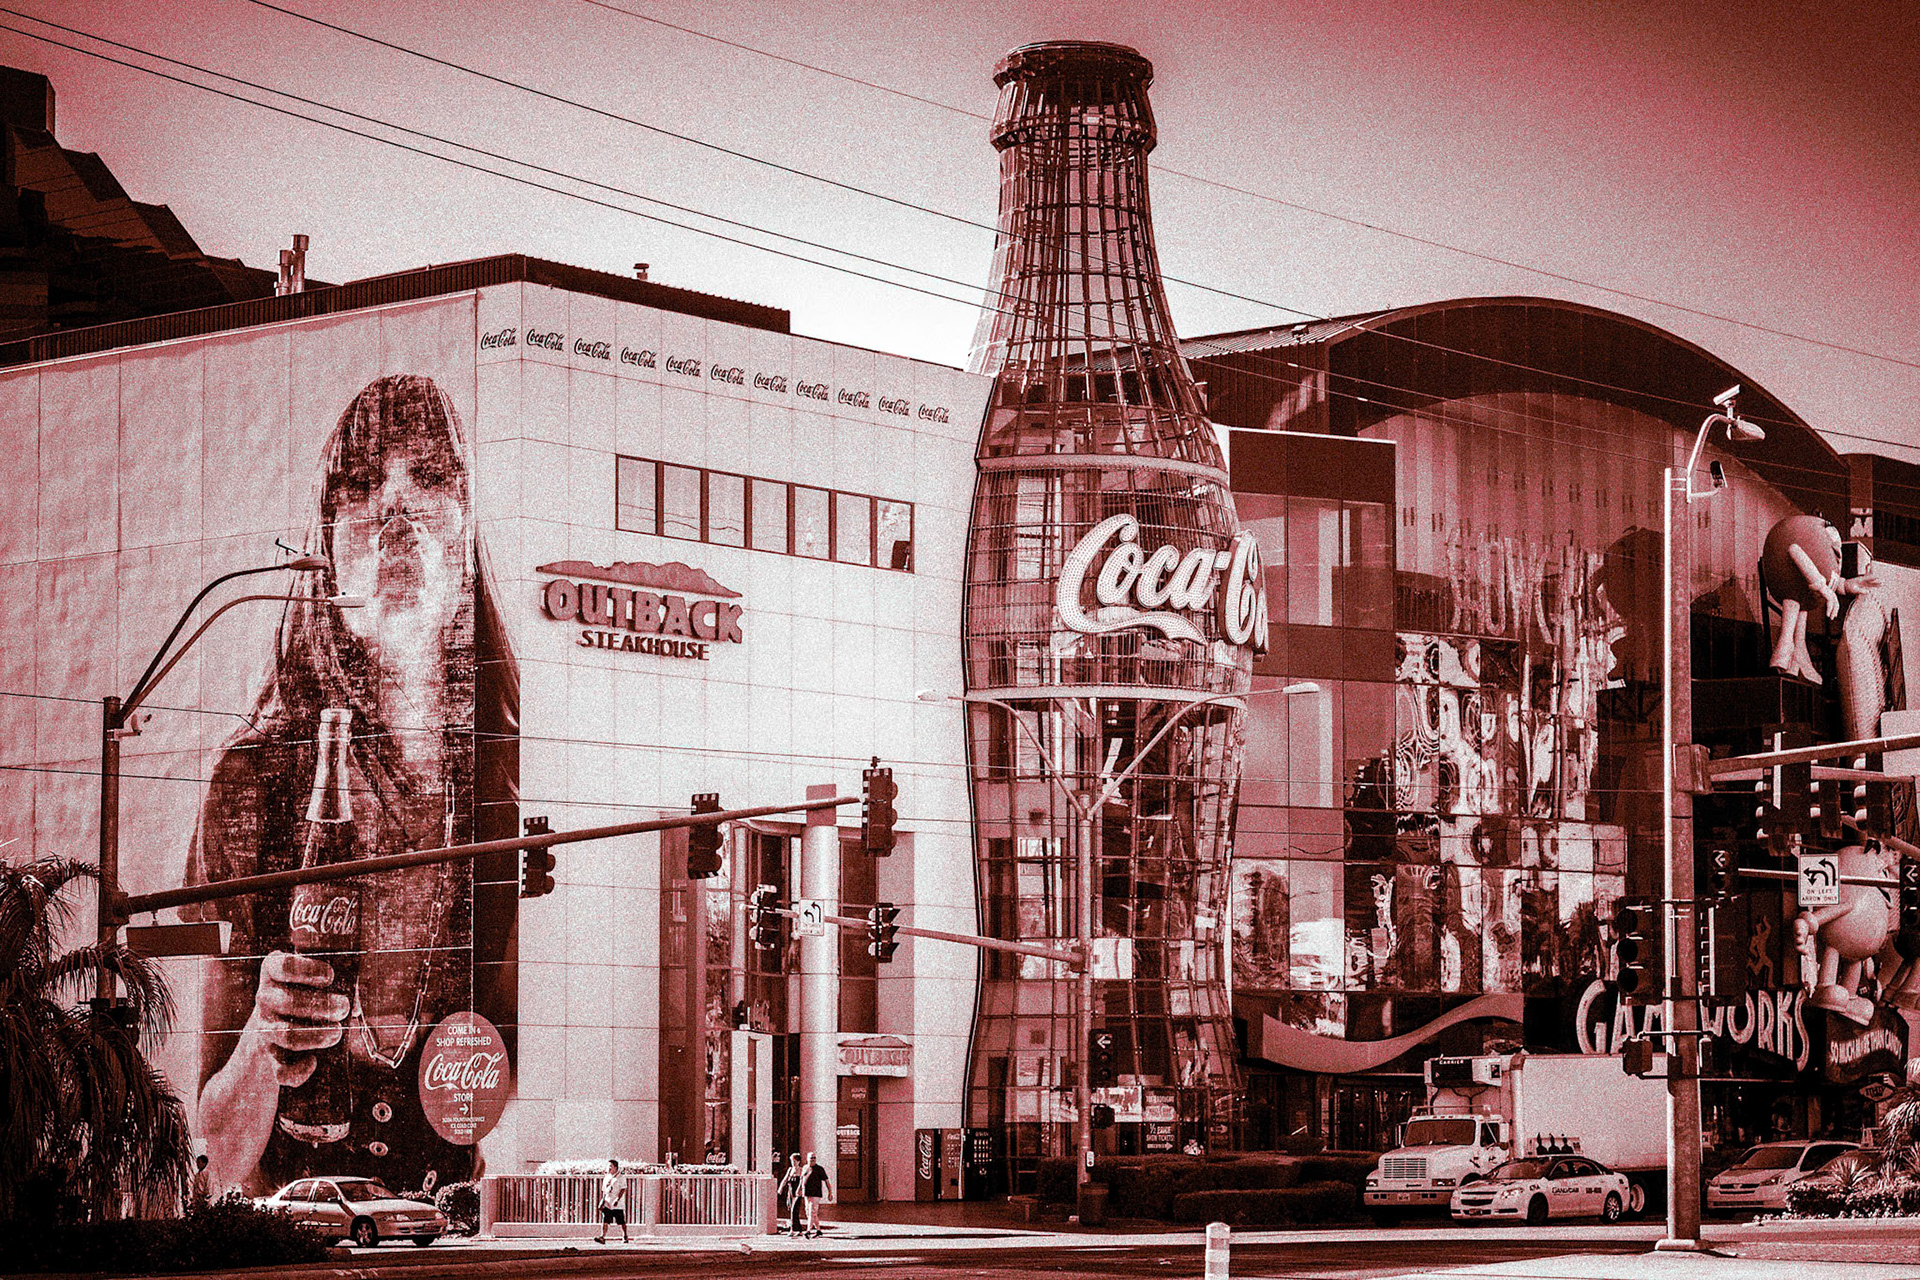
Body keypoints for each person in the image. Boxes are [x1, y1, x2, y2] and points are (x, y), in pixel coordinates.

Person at [189, 375, 520, 1195]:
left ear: (467, 521)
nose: (394, 516)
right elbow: (213, 1160)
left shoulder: (502, 785)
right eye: (362, 487)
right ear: (328, 538)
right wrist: (263, 1043)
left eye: (429, 478)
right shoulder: (256, 777)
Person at [800, 1150, 832, 1238]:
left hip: (816, 1193)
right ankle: (818, 1230)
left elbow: (827, 1181)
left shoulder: (819, 1169)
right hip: (806, 1193)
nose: (813, 1159)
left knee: (811, 1211)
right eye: (811, 1158)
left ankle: (808, 1231)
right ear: (807, 1159)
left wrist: (830, 1192)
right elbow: (802, 1179)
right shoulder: (805, 1168)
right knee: (810, 1213)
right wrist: (799, 1189)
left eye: (814, 1158)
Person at [596, 1159, 629, 1244]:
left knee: (621, 1221)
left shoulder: (620, 1177)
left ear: (615, 1167)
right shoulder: (607, 1177)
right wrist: (602, 1201)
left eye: (610, 1166)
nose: (608, 1168)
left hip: (617, 1204)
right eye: (608, 1166)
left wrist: (617, 1199)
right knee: (605, 1220)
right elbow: (605, 1191)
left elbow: (623, 1189)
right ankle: (602, 1236)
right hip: (608, 1202)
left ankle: (625, 1236)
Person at [776, 1152, 804, 1234]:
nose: (793, 1163)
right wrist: (780, 1188)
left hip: (797, 1192)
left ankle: (793, 1229)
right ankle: (799, 1229)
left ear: (798, 1161)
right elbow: (785, 1179)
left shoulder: (801, 1170)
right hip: (790, 1192)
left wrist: (801, 1190)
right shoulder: (790, 1169)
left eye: (794, 1161)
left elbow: (802, 1181)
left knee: (794, 1210)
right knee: (791, 1209)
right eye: (792, 1161)